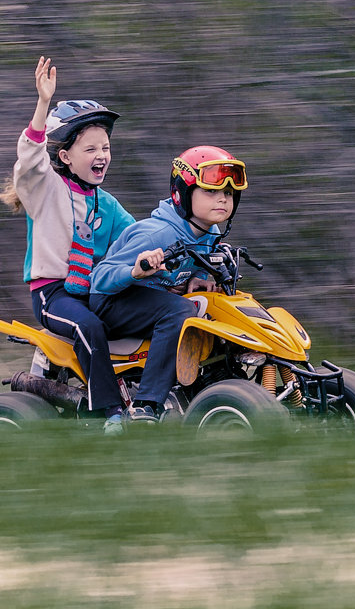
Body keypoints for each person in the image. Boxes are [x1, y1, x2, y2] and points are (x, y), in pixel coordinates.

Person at [0, 56, 135, 436]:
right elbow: (29, 161)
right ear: (65, 156)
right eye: (90, 149)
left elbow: (139, 237)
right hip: (52, 294)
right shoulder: (47, 190)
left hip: (90, 290)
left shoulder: (105, 203)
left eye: (104, 148)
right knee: (89, 325)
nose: (101, 156)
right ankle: (109, 414)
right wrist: (43, 104)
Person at [89, 145, 248, 423]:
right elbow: (99, 279)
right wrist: (135, 272)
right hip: (110, 301)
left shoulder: (208, 232)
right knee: (179, 312)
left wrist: (198, 278)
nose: (222, 199)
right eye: (210, 191)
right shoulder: (156, 235)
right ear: (182, 194)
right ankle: (146, 405)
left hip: (149, 301)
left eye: (228, 193)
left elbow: (188, 265)